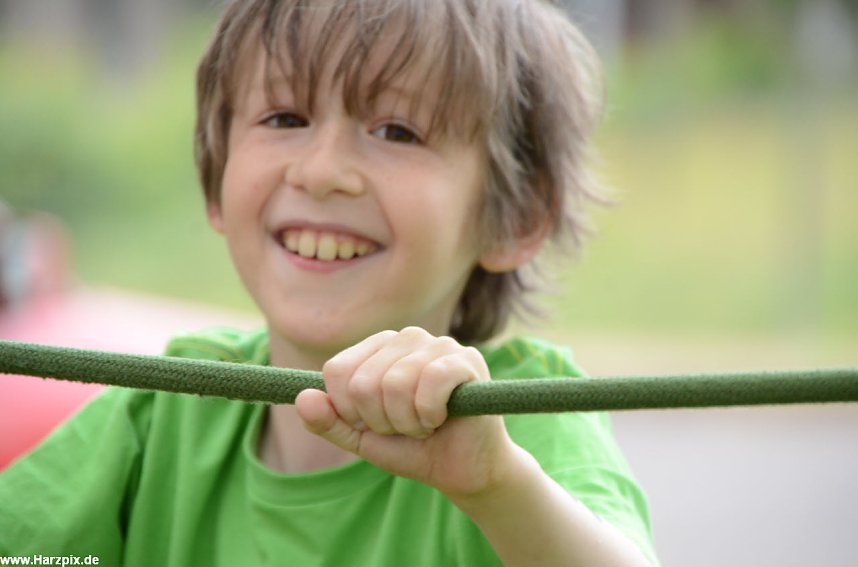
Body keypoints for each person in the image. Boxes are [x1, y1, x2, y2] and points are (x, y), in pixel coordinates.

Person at [0, 1, 659, 565]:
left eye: (396, 130)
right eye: (284, 119)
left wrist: (499, 486)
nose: (321, 172)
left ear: (514, 217)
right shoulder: (157, 421)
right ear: (216, 173)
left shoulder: (519, 429)